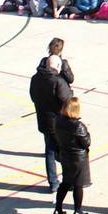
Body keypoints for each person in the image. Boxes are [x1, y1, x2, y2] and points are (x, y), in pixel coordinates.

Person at [30, 53, 73, 194]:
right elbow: (67, 101)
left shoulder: (35, 78)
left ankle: (53, 183)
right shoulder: (58, 81)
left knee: (49, 151)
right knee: (66, 152)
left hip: (44, 121)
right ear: (58, 66)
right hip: (59, 123)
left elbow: (33, 96)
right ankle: (69, 181)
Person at [52, 97, 92, 214]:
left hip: (65, 155)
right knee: (78, 184)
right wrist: (87, 131)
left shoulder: (58, 121)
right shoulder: (78, 126)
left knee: (66, 182)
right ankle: (77, 210)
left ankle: (58, 208)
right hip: (78, 158)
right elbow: (87, 142)